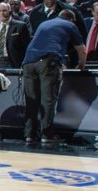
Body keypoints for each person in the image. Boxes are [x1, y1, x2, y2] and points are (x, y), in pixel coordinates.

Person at [21, 8, 86, 145]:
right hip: (47, 62)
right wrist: (81, 65)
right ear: (71, 19)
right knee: (48, 99)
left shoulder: (44, 23)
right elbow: (81, 49)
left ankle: (30, 135)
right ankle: (47, 135)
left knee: (31, 100)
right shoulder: (70, 25)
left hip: (28, 62)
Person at [0, 3, 29, 68]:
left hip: (14, 63)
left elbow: (27, 46)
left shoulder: (20, 26)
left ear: (10, 12)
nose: (2, 13)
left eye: (4, 10)